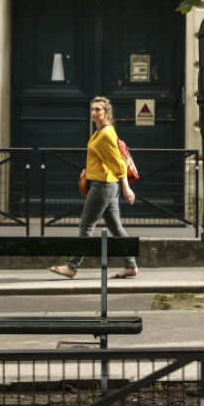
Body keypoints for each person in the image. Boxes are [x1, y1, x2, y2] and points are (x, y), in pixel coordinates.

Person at [49, 96, 139, 279]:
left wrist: (127, 188)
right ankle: (131, 265)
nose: (94, 113)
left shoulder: (105, 134)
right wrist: (89, 169)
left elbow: (118, 163)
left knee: (86, 225)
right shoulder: (100, 132)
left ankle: (72, 267)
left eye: (98, 110)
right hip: (106, 184)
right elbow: (103, 159)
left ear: (107, 112)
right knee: (116, 228)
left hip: (103, 187)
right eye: (92, 110)